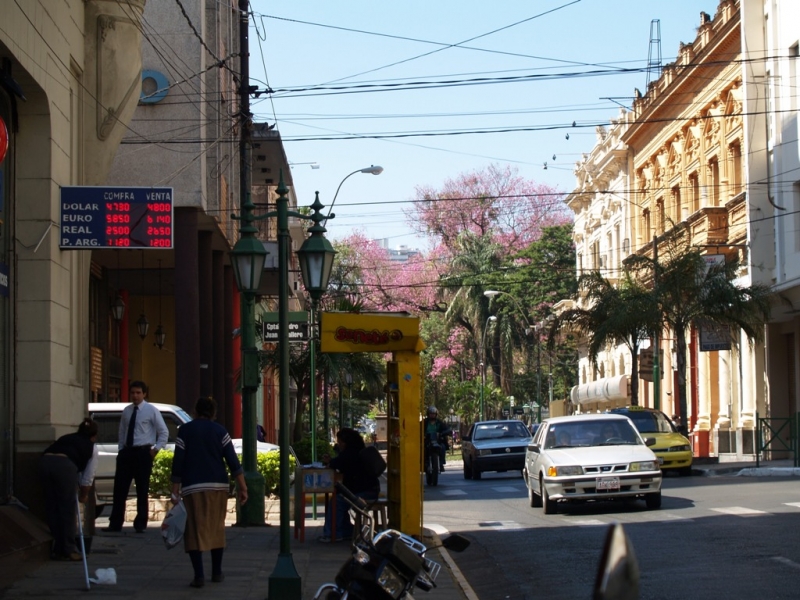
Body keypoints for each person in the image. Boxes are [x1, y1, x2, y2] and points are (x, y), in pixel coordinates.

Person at [170, 397, 247, 588]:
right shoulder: (220, 431)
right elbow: (233, 461)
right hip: (217, 486)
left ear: (195, 411)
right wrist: (243, 487)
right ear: (213, 412)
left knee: (194, 530)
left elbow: (178, 461)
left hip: (192, 486)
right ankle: (217, 572)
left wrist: (175, 488)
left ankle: (199, 576)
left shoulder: (185, 431)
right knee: (216, 527)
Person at [103, 380, 169, 533]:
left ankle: (140, 523)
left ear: (144, 394)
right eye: (133, 393)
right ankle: (115, 523)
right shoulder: (127, 411)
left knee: (142, 488)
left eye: (138, 393)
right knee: (120, 489)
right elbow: (122, 432)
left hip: (143, 452)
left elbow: (163, 432)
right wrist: (121, 449)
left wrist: (155, 450)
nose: (135, 396)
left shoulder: (151, 410)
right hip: (127, 452)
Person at [39, 418, 99, 561]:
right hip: (64, 466)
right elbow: (88, 478)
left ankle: (58, 547)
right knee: (67, 509)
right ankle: (69, 549)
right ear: (94, 436)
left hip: (44, 463)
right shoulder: (91, 446)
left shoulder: (66, 437)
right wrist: (83, 495)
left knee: (52, 507)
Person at [319, 428, 380, 543]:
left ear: (345, 442)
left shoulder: (350, 453)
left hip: (363, 491)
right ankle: (345, 530)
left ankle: (334, 533)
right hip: (371, 489)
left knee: (337, 502)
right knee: (340, 500)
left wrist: (330, 462)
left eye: (340, 442)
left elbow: (339, 463)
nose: (339, 444)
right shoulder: (359, 450)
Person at [423, 406, 451, 472]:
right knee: (422, 448)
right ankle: (424, 463)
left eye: (433, 414)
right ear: (428, 414)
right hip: (427, 441)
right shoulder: (424, 422)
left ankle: (441, 464)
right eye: (431, 413)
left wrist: (443, 433)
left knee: (443, 447)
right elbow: (418, 428)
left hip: (437, 441)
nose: (432, 415)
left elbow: (447, 429)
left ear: (436, 414)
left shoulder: (439, 422)